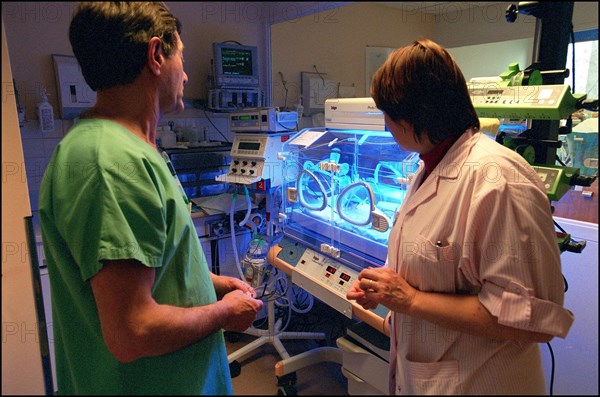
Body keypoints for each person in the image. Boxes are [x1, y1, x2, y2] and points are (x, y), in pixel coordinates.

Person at [38, 2, 263, 394]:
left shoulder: (121, 148)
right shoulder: (111, 163)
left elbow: (153, 268)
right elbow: (133, 331)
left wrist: (209, 284)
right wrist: (223, 314)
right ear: (156, 55)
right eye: (183, 58)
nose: (187, 74)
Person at [346, 39, 574, 395]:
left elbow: (532, 321)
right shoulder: (429, 166)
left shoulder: (500, 180)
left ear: (418, 113)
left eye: (389, 114)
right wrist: (388, 291)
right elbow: (439, 267)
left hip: (482, 382)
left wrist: (409, 300)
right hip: (430, 374)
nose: (386, 126)